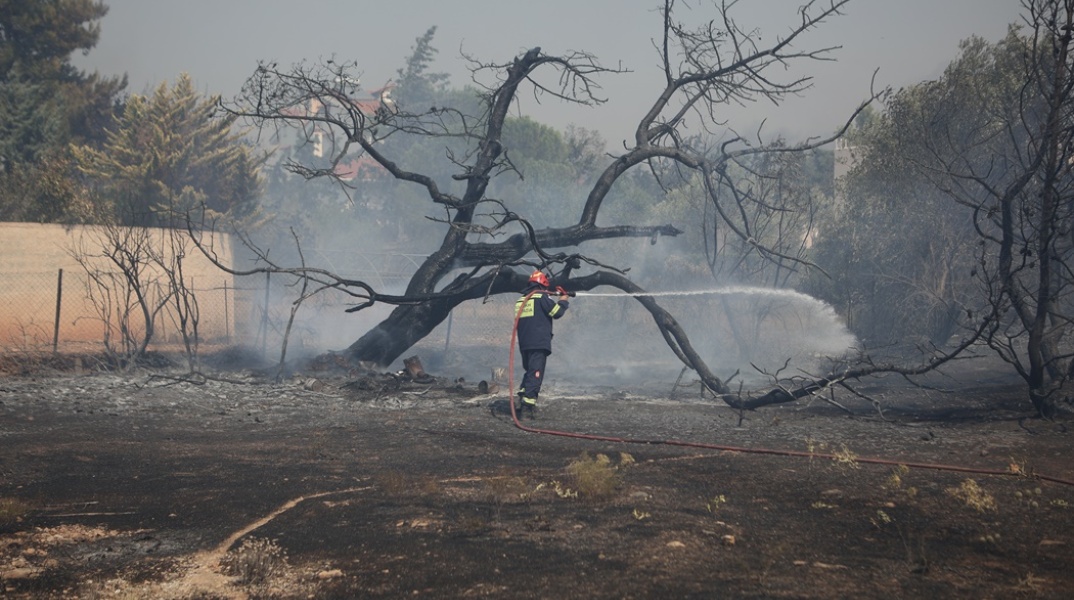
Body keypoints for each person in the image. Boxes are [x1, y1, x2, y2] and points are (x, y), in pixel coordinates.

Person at [514, 270, 570, 419]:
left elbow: (533, 316)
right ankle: (527, 408)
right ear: (543, 284)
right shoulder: (540, 297)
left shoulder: (522, 300)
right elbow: (556, 312)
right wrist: (564, 300)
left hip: (524, 344)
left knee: (530, 371)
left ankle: (521, 399)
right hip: (538, 343)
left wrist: (549, 297)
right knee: (536, 373)